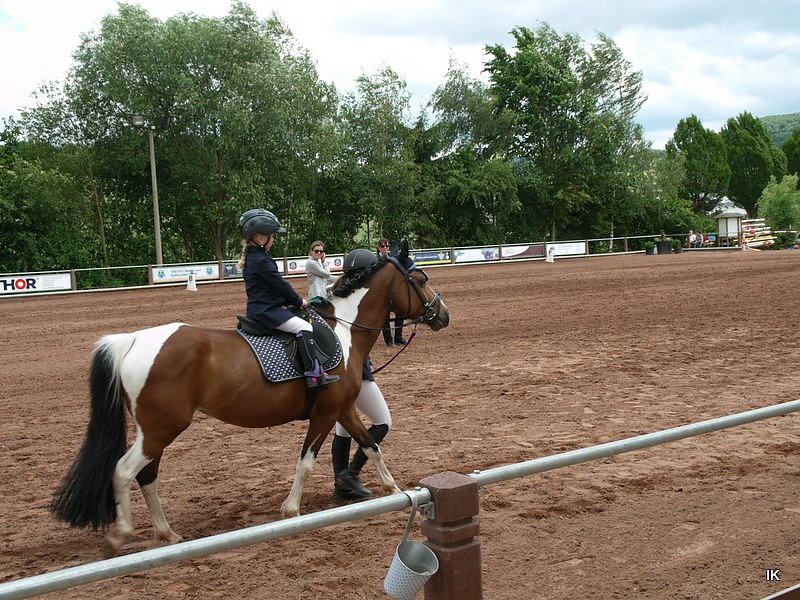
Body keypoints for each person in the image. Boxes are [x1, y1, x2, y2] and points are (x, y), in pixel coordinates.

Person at [237, 208, 339, 389]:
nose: (273, 239)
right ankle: (313, 374)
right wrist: (299, 301)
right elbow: (280, 285)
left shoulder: (253, 257)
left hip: (261, 308)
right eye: (272, 236)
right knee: (304, 326)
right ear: (260, 238)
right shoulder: (262, 260)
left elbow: (269, 289)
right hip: (266, 311)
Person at [331, 248, 393, 501]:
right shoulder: (363, 299)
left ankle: (341, 486)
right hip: (355, 369)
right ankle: (351, 474)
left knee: (343, 430)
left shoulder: (336, 293)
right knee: (382, 422)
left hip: (337, 369)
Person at [377, 238, 407, 347]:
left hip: (393, 292)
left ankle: (398, 337)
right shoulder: (375, 260)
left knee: (400, 313)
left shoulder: (393, 259)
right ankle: (389, 340)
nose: (385, 248)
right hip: (382, 293)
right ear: (379, 248)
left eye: (387, 246)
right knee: (385, 316)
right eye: (383, 246)